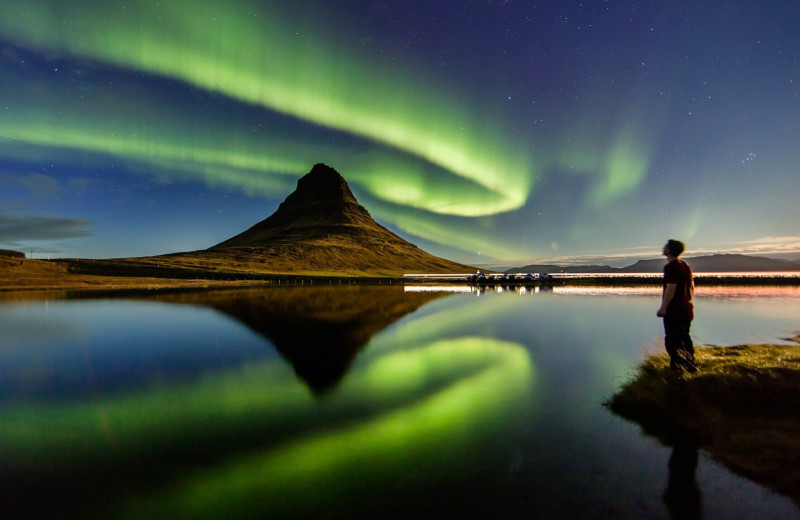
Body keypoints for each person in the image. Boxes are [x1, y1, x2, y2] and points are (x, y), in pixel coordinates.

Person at [657, 239, 697, 373]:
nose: (663, 248)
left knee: (672, 341)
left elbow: (671, 288)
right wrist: (688, 300)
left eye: (665, 246)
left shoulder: (671, 267)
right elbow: (691, 286)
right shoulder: (685, 265)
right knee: (685, 338)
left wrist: (664, 307)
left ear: (669, 250)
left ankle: (678, 369)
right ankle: (690, 366)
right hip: (687, 309)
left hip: (675, 311)